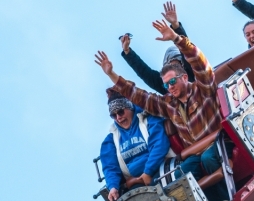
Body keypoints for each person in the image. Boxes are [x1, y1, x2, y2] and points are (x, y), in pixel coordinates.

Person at [95, 21, 224, 184]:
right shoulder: (168, 104)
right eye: (165, 85)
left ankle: (228, 195)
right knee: (181, 175)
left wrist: (177, 38)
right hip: (195, 153)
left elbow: (199, 63)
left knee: (208, 159)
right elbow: (138, 95)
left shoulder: (203, 89)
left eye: (172, 82)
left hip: (218, 142)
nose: (169, 87)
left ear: (184, 76)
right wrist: (112, 74)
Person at [99, 89, 170, 201]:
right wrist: (113, 187)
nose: (118, 118)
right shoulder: (111, 139)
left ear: (130, 108)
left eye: (121, 112)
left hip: (160, 169)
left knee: (155, 191)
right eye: (114, 115)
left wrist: (147, 172)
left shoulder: (148, 120)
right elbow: (110, 167)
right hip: (136, 182)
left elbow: (159, 145)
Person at [119, 2, 194, 94]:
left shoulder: (193, 72)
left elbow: (188, 50)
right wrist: (127, 51)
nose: (171, 85)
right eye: (170, 65)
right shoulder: (164, 85)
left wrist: (176, 26)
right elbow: (143, 71)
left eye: (177, 65)